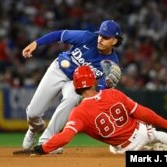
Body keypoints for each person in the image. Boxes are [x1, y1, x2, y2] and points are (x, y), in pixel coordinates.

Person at [28, 66, 167, 155]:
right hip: (141, 131)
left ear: (76, 87)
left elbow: (65, 138)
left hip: (125, 148)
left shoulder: (78, 113)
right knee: (155, 134)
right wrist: (166, 122)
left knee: (116, 149)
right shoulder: (113, 93)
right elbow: (142, 112)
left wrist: (43, 148)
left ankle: (154, 151)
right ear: (93, 82)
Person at [21, 20, 123, 152]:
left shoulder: (111, 63)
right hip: (58, 70)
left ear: (114, 41)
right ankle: (34, 128)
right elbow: (59, 34)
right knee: (33, 113)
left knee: (73, 97)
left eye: (105, 37)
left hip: (76, 83)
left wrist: (106, 86)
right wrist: (36, 43)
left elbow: (99, 90)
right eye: (100, 35)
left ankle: (48, 140)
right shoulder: (87, 37)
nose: (100, 39)